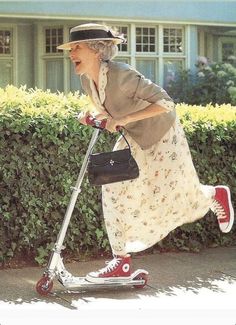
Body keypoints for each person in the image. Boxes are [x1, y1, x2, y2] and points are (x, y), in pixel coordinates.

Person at [57, 23, 234, 284]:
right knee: (113, 190)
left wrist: (124, 118)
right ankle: (121, 261)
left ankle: (213, 195)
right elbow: (110, 111)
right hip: (133, 137)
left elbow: (165, 102)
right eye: (71, 48)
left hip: (162, 133)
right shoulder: (87, 80)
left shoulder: (123, 74)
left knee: (175, 193)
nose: (71, 53)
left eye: (77, 47)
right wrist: (92, 116)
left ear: (96, 50)